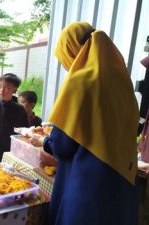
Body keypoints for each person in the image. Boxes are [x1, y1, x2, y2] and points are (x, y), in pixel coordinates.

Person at [30, 22, 139, 225]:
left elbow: (62, 146)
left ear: (71, 50)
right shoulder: (124, 85)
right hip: (123, 184)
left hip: (89, 188)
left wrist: (42, 140)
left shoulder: (80, 81)